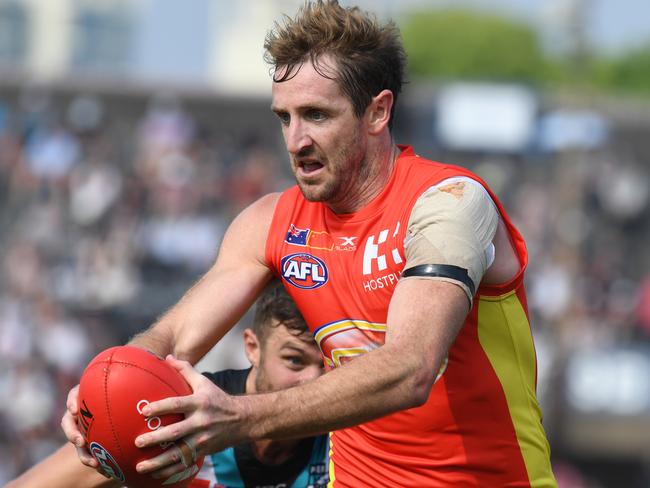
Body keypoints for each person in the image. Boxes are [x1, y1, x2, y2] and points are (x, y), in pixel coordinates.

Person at [62, 1, 558, 486]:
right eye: (285, 117)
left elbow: (411, 369)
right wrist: (103, 392)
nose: (296, 140)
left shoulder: (448, 201)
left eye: (317, 115)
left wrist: (240, 417)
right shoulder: (271, 221)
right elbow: (169, 341)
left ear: (377, 112)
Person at [10, 283, 328, 488]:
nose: (314, 380)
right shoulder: (177, 416)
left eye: (330, 363)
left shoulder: (352, 423)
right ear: (252, 348)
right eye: (294, 361)